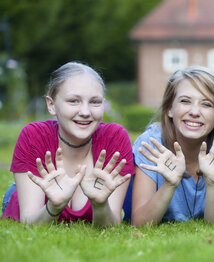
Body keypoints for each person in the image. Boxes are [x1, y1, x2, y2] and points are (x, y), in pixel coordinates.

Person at [1, 62, 134, 225]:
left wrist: (100, 206)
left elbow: (112, 225)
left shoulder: (115, 138)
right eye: (73, 101)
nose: (85, 112)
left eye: (95, 102)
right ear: (51, 105)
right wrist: (54, 207)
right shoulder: (33, 136)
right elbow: (29, 223)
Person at [131, 66, 214, 226]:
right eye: (185, 101)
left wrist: (213, 182)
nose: (194, 111)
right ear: (169, 109)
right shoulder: (152, 144)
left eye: (206, 104)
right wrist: (169, 184)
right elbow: (140, 224)